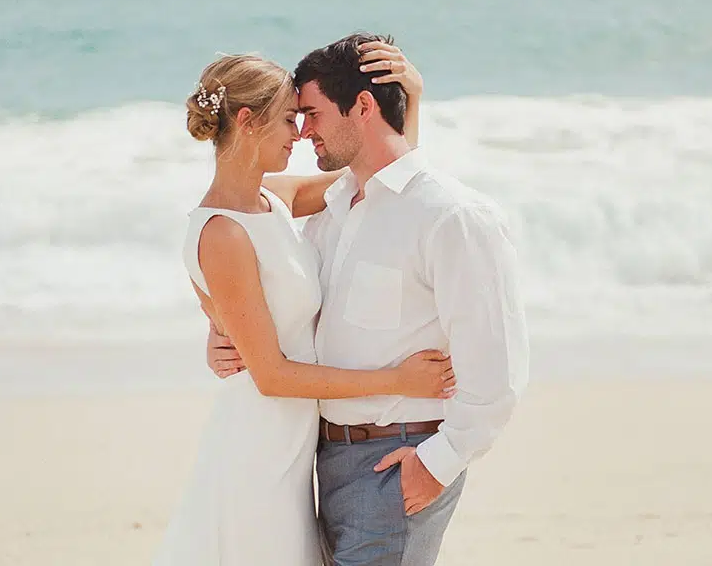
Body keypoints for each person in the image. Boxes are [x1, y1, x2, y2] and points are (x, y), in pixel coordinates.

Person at [207, 33, 530, 565]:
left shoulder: (451, 216)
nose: (302, 129)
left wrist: (440, 461)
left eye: (310, 113)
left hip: (394, 461)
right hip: (320, 458)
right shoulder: (332, 212)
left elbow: (498, 363)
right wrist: (222, 331)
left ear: (361, 106)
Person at [154, 44, 452, 566]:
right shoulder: (221, 232)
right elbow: (271, 376)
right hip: (259, 447)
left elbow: (378, 175)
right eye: (289, 120)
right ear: (247, 121)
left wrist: (411, 102)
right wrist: (397, 381)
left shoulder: (272, 199)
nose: (301, 134)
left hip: (299, 445)